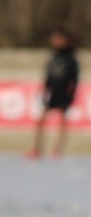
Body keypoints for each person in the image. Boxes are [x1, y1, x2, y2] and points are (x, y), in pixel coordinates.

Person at [28, 29, 79, 159]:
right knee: (41, 119)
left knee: (62, 120)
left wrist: (71, 94)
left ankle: (58, 149)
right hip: (52, 92)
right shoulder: (52, 56)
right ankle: (36, 148)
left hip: (63, 92)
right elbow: (48, 75)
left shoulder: (70, 58)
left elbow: (74, 78)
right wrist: (45, 88)